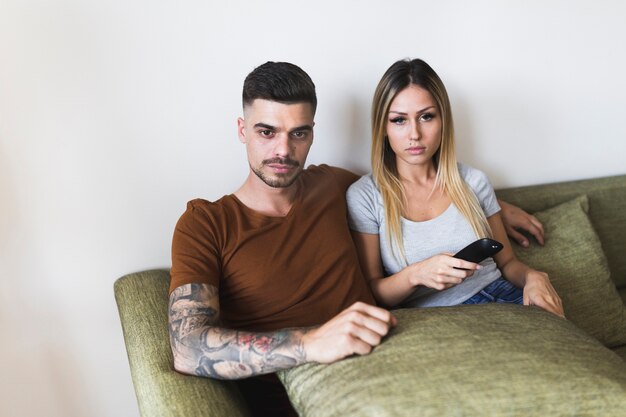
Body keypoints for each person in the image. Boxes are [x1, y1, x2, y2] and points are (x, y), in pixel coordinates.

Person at [168, 61, 550, 417]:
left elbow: (412, 187)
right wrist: (311, 342)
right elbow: (187, 349)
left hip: (399, 357)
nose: (283, 150)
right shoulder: (205, 224)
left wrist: (495, 207)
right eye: (266, 131)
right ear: (241, 130)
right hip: (306, 384)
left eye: (298, 133)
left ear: (312, 133)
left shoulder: (332, 186)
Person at [346, 58, 564, 316]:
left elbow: (507, 263)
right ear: (383, 126)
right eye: (399, 120)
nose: (414, 134)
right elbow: (374, 291)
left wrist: (533, 277)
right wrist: (416, 274)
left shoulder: (474, 182)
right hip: (435, 322)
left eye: (426, 117)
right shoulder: (365, 197)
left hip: (503, 298)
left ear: (443, 120)